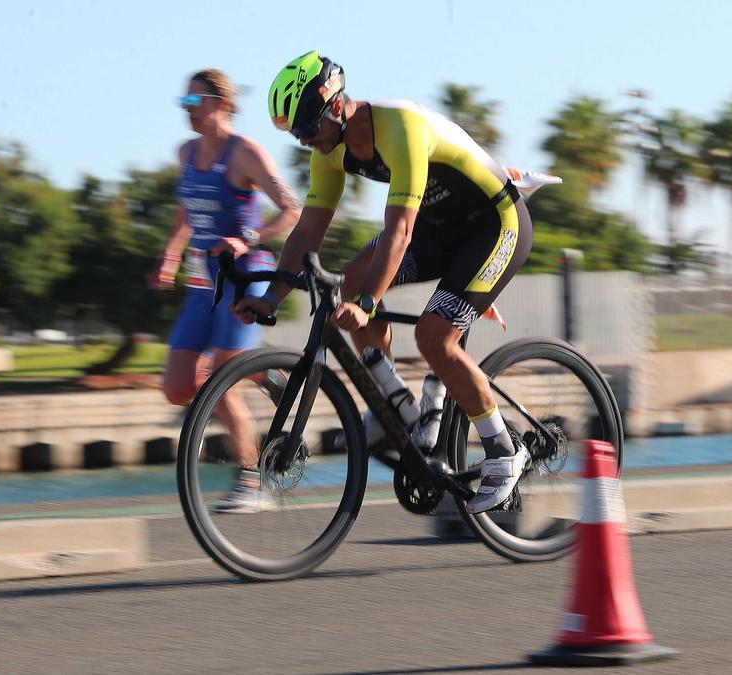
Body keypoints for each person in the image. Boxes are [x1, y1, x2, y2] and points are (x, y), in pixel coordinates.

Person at [233, 51, 533, 513]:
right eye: (296, 135)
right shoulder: (330, 154)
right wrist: (271, 296)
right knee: (349, 283)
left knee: (434, 337)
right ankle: (395, 406)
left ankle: (504, 451)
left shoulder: (401, 127)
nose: (305, 140)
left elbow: (400, 232)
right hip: (441, 229)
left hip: (494, 224)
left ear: (334, 105)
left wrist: (369, 302)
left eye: (308, 128)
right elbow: (307, 232)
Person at [152, 68, 302, 511]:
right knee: (177, 387)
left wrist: (249, 237)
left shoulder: (245, 153)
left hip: (243, 278)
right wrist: (171, 254)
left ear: (219, 104)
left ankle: (253, 481)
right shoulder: (186, 152)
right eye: (183, 104)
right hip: (203, 285)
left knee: (221, 374)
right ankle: (265, 371)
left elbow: (292, 210)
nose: (187, 113)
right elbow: (188, 208)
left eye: (193, 103)